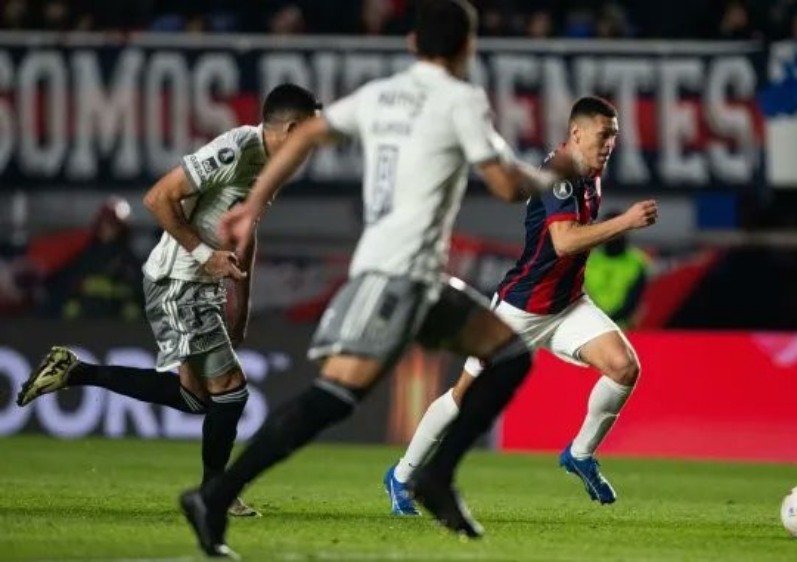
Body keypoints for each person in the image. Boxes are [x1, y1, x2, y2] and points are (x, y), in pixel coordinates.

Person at [178, 0, 582, 557]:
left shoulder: (379, 94)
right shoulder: (460, 99)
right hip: (398, 275)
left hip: (416, 275)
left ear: (413, 44)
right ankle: (216, 496)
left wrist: (253, 203)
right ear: (469, 47)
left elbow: (304, 136)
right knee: (335, 396)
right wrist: (552, 174)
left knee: (508, 354)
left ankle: (435, 475)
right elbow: (508, 187)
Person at [16, 83, 323, 518]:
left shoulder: (272, 167)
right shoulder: (237, 148)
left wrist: (243, 298)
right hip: (180, 279)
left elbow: (245, 231)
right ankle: (215, 493)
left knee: (196, 399)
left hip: (204, 283)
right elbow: (158, 197)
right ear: (290, 128)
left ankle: (73, 370)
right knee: (231, 388)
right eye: (309, 134)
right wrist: (204, 256)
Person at [384, 97, 658, 515]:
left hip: (567, 306)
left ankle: (580, 454)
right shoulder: (559, 176)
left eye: (615, 137)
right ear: (577, 134)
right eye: (604, 136)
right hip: (519, 310)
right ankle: (402, 475)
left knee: (624, 367)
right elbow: (564, 242)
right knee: (463, 398)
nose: (609, 145)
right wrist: (627, 222)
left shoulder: (592, 175)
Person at [583, 210, 651, 330]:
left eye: (618, 230)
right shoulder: (588, 261)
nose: (614, 236)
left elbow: (635, 300)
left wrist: (609, 320)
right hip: (591, 328)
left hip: (626, 330)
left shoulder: (637, 261)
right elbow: (582, 296)